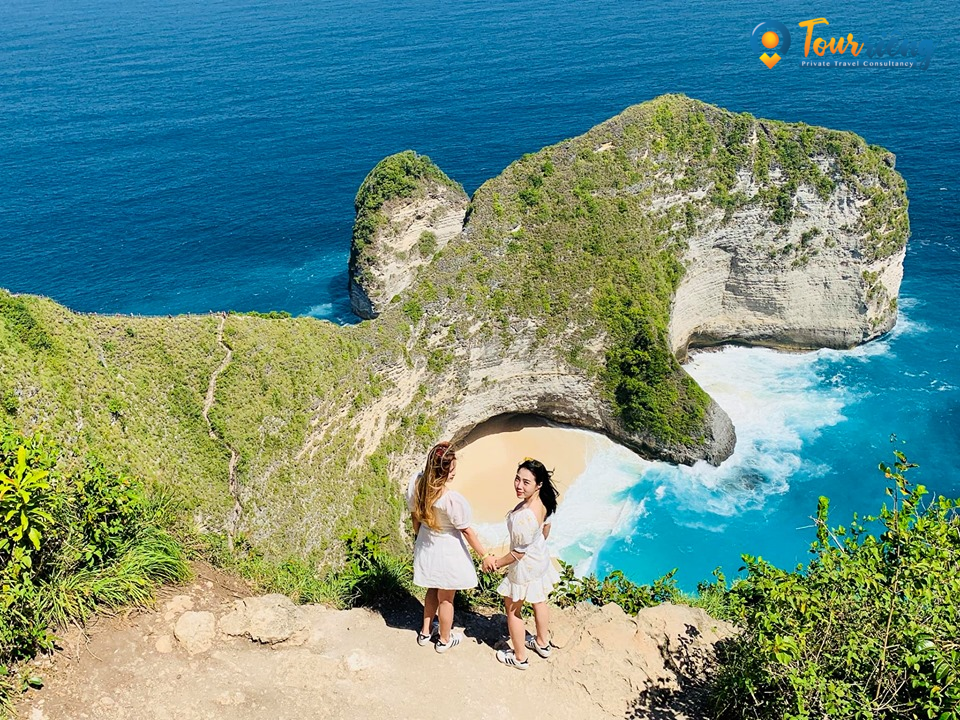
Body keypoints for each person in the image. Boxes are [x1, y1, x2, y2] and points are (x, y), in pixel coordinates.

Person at [408, 441, 493, 653]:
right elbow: (466, 531)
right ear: (443, 470)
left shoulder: (417, 486)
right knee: (446, 598)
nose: (454, 472)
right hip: (447, 550)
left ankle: (425, 632)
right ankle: (445, 639)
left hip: (427, 543)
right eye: (452, 468)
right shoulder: (450, 500)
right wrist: (485, 556)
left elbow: (415, 517)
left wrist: (419, 537)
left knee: (432, 588)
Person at [482, 458, 560, 670]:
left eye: (526, 482)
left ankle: (520, 658)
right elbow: (546, 528)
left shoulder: (524, 516)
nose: (519, 485)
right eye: (517, 479)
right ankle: (542, 643)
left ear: (538, 484)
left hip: (525, 565)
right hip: (539, 557)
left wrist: (496, 563)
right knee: (539, 600)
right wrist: (537, 544)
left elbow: (518, 553)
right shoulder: (544, 501)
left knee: (513, 610)